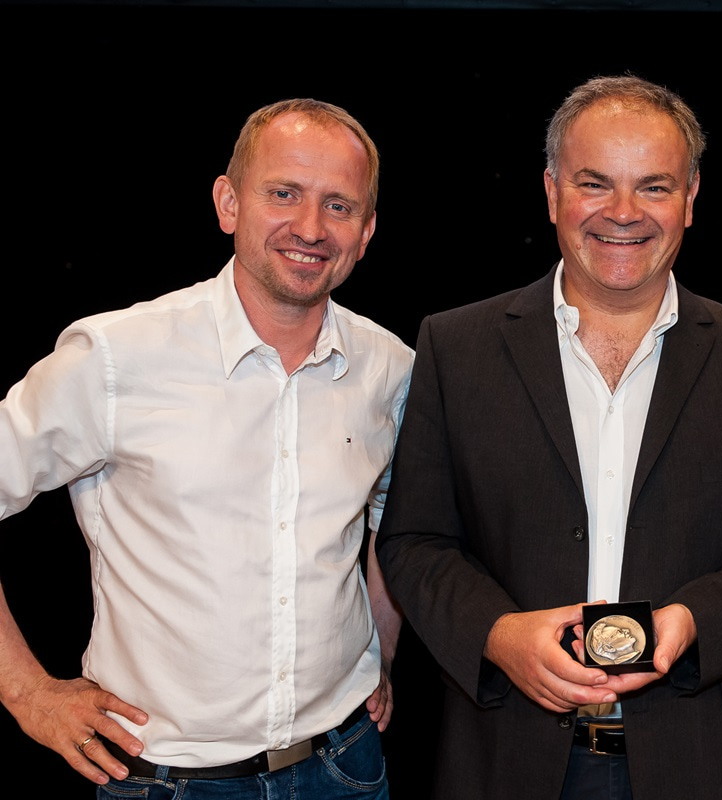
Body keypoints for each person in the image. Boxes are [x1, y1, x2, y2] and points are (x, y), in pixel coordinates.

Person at [375, 75, 722, 799]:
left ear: (690, 199)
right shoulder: (455, 346)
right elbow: (414, 542)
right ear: (552, 190)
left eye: (652, 187)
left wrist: (693, 621)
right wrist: (498, 634)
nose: (623, 214)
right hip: (506, 757)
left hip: (702, 759)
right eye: (595, 183)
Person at [0, 98, 413, 799]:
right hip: (168, 781)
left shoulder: (390, 369)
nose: (310, 228)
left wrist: (379, 650)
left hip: (346, 767)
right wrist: (26, 692)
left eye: (339, 206)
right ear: (228, 202)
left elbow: (401, 523)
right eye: (283, 194)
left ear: (366, 230)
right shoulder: (112, 358)